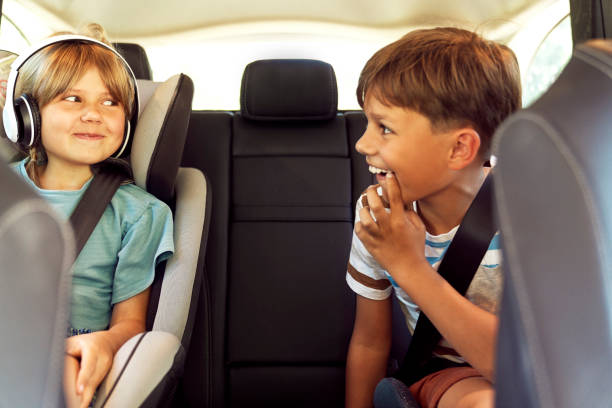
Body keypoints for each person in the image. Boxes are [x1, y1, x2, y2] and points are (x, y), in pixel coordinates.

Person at [345, 27, 521, 408]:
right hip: (448, 374)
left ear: (460, 148)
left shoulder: (530, 214)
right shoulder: (378, 219)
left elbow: (525, 364)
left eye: (385, 128)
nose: (362, 143)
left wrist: (409, 266)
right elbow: (370, 341)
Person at [5, 24, 174, 408]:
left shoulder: (140, 213)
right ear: (25, 114)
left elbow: (130, 323)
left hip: (68, 360)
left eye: (111, 102)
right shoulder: (4, 194)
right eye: (73, 98)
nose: (94, 115)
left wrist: (102, 342)